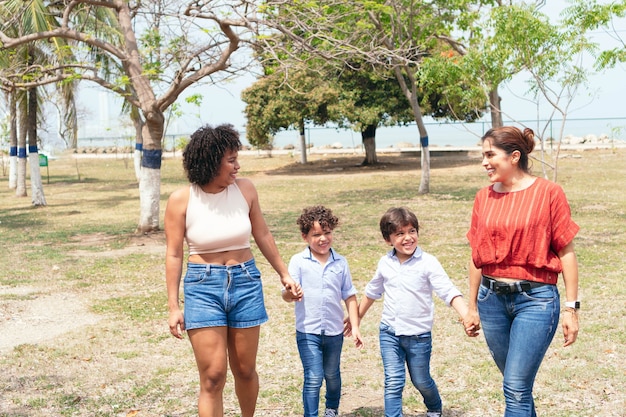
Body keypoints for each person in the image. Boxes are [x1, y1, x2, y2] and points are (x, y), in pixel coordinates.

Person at [164, 124, 303, 417]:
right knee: (213, 376)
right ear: (211, 161)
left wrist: (284, 273)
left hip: (245, 281)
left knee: (245, 369)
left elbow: (262, 234)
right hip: (203, 287)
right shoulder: (181, 200)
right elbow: (174, 253)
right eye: (231, 160)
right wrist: (173, 306)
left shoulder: (246, 189)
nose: (237, 166)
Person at [465, 126, 580, 417]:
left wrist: (571, 308)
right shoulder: (483, 197)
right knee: (516, 387)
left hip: (536, 301)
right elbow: (476, 255)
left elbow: (566, 251)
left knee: (515, 387)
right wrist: (471, 307)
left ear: (514, 156)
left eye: (490, 155)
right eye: (483, 156)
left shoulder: (549, 193)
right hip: (490, 301)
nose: (484, 163)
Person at [355, 207, 476, 417]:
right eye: (400, 234)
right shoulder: (385, 263)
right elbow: (372, 293)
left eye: (411, 231)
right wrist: (355, 317)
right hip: (389, 333)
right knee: (393, 381)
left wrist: (466, 314)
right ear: (388, 239)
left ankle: (434, 406)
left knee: (421, 380)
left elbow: (447, 291)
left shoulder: (428, 262)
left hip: (419, 336)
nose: (407, 238)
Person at [283, 205, 363, 417]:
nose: (323, 238)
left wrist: (354, 326)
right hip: (307, 331)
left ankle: (331, 409)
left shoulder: (340, 262)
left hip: (334, 332)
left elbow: (349, 295)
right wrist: (291, 294)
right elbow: (286, 293)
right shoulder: (298, 262)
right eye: (316, 234)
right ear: (305, 236)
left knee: (332, 375)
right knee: (313, 376)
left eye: (327, 233)